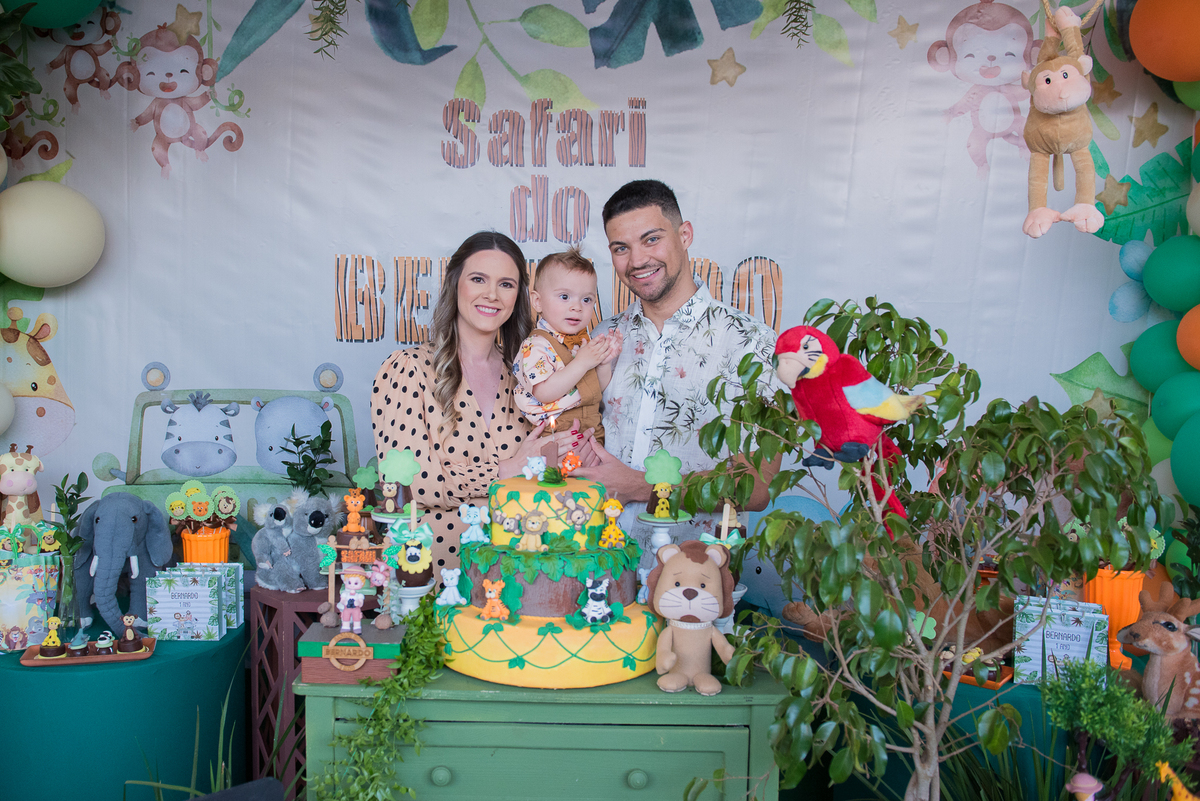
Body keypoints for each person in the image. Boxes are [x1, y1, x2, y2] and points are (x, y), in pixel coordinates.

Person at [576, 180, 781, 552]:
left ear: (685, 235)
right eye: (621, 248)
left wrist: (641, 486)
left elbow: (757, 487)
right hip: (598, 566)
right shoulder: (603, 339)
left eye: (651, 239)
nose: (637, 261)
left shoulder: (752, 343)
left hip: (696, 576)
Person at [371, 231, 585, 573]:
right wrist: (506, 470)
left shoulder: (527, 375)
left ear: (519, 296)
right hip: (429, 574)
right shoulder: (408, 368)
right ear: (455, 284)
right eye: (478, 279)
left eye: (506, 284)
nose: (492, 295)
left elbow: (546, 471)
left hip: (515, 574)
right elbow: (409, 484)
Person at [512, 249, 623, 445]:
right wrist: (582, 363)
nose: (577, 307)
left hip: (592, 427)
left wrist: (604, 363)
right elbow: (544, 393)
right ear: (537, 301)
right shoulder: (535, 346)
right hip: (557, 432)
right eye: (564, 297)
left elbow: (596, 388)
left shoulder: (583, 342)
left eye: (586, 300)